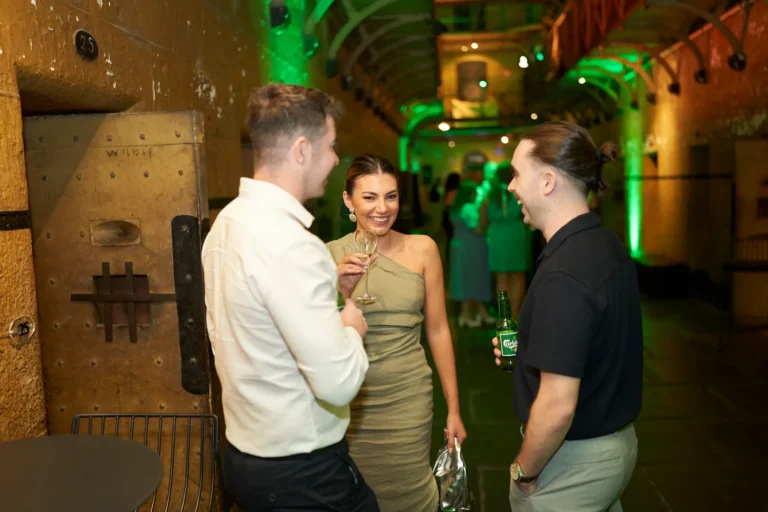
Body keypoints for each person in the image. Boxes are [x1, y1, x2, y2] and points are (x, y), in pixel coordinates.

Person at [202, 83, 378, 511]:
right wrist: (352, 328)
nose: (336, 160)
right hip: (302, 474)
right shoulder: (294, 245)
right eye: (332, 147)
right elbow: (338, 383)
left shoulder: (226, 222)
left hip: (243, 458)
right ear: (302, 150)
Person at [491, 121, 643, 511]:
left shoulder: (565, 271)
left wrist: (523, 471)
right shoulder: (603, 243)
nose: (511, 187)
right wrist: (529, 349)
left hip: (573, 461)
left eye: (516, 174)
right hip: (616, 447)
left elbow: (557, 406)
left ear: (546, 182)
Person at [327, 154, 467, 512]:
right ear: (348, 201)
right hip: (349, 402)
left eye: (390, 196)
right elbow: (316, 340)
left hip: (408, 397)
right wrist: (338, 289)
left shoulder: (423, 249)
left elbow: (437, 330)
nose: (382, 208)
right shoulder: (326, 257)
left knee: (410, 494)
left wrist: (454, 408)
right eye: (369, 197)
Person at [482, 161, 532, 317]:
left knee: (501, 278)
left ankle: (504, 315)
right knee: (518, 275)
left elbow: (483, 218)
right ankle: (515, 314)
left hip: (497, 236)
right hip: (516, 234)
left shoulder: (491, 195)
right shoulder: (519, 191)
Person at [449, 180, 495, 327]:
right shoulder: (469, 208)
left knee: (465, 278)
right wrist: (484, 213)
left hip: (461, 246)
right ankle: (467, 314)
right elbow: (479, 229)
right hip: (473, 247)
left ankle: (475, 312)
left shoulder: (457, 208)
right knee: (473, 278)